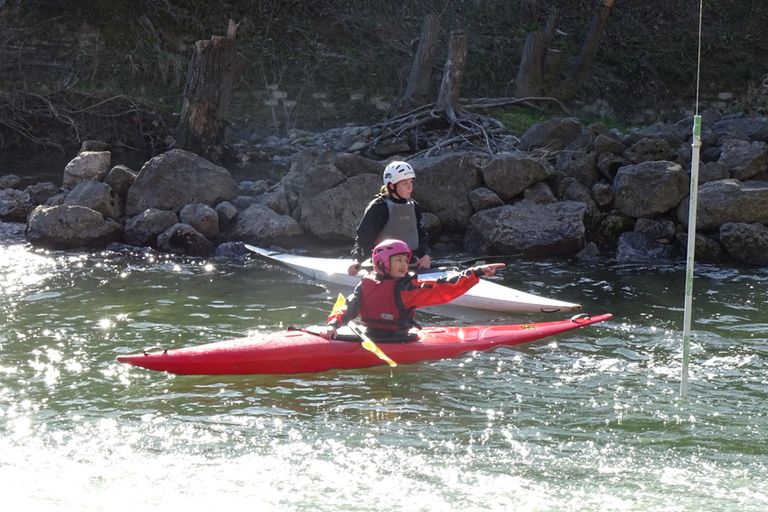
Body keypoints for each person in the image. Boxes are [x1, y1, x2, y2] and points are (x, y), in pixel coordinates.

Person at [320, 239, 504, 340]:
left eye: (405, 260)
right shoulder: (366, 283)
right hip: (369, 334)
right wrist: (333, 325)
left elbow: (445, 288)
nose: (404, 265)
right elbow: (349, 307)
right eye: (398, 260)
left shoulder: (407, 288)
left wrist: (476, 272)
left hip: (398, 338)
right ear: (382, 264)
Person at [347, 160, 431, 275]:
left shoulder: (413, 205)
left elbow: (422, 237)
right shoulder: (379, 207)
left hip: (411, 264)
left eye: (411, 182)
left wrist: (426, 255)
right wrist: (356, 261)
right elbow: (363, 240)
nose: (410, 187)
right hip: (384, 266)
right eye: (404, 183)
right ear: (392, 185)